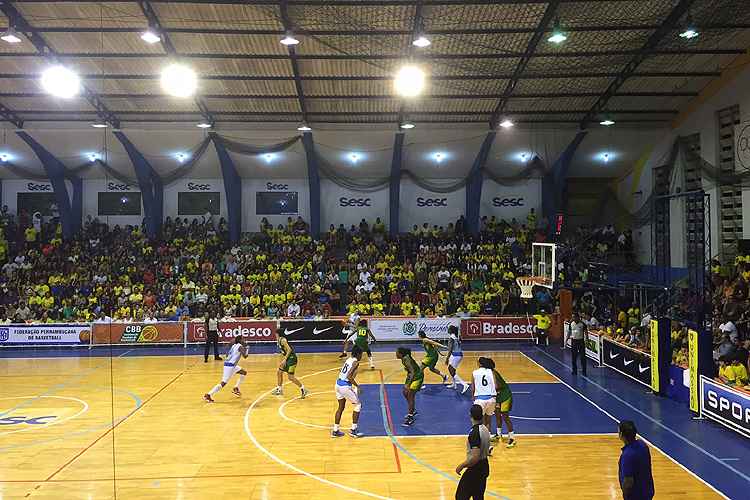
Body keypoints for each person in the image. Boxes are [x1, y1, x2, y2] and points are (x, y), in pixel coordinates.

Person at [454, 404, 491, 500]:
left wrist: (461, 466)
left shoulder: (475, 433)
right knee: (478, 497)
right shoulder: (485, 429)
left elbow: (475, 457)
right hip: (484, 467)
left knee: (461, 496)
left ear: (470, 416)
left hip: (475, 469)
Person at [332, 345, 364, 438]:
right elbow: (349, 377)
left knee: (341, 407)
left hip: (338, 384)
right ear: (358, 354)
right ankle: (354, 430)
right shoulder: (355, 362)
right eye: (361, 354)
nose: (361, 356)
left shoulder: (349, 359)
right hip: (344, 386)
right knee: (358, 405)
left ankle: (335, 430)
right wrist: (358, 386)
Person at [618, 420, 655, 500]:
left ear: (621, 435)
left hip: (635, 495)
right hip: (647, 491)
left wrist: (625, 495)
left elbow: (628, 481)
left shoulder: (627, 455)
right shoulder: (643, 445)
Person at [203, 336, 248, 402]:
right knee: (223, 383)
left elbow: (227, 355)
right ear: (240, 340)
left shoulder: (234, 346)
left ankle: (236, 388)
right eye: (243, 339)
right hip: (230, 366)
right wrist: (247, 349)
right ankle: (208, 395)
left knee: (244, 372)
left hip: (231, 365)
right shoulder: (240, 346)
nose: (244, 340)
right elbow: (245, 356)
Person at [487, 358, 515, 448]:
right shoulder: (489, 373)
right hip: (498, 397)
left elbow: (498, 386)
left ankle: (512, 438)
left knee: (505, 416)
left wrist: (490, 390)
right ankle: (499, 434)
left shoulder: (493, 373)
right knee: (497, 415)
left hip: (505, 396)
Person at [396, 347, 423, 426]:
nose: (396, 354)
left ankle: (410, 418)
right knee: (405, 392)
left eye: (397, 352)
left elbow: (412, 372)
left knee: (410, 395)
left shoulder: (406, 359)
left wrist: (408, 384)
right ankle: (413, 410)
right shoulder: (404, 359)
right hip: (411, 376)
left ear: (400, 354)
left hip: (417, 377)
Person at [471, 357, 497, 429]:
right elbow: (496, 386)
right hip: (491, 399)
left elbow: (473, 388)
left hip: (480, 400)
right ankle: (487, 437)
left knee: (477, 421)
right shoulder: (491, 371)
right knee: (488, 421)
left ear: (480, 364)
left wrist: (473, 398)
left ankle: (479, 437)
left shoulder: (474, 372)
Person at [445, 324, 470, 393]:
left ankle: (464, 384)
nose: (448, 330)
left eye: (449, 329)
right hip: (457, 354)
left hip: (456, 355)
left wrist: (447, 358)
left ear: (451, 330)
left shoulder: (451, 338)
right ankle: (454, 384)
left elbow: (450, 349)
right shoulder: (455, 337)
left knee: (451, 370)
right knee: (452, 369)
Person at [568, 312, 587, 376]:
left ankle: (584, 371)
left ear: (577, 317)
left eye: (574, 317)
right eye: (572, 317)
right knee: (574, 357)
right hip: (574, 341)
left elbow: (586, 332)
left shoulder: (582, 324)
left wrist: (587, 340)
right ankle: (574, 371)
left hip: (581, 342)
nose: (573, 318)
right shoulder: (571, 324)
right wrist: (566, 339)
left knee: (582, 357)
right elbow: (569, 331)